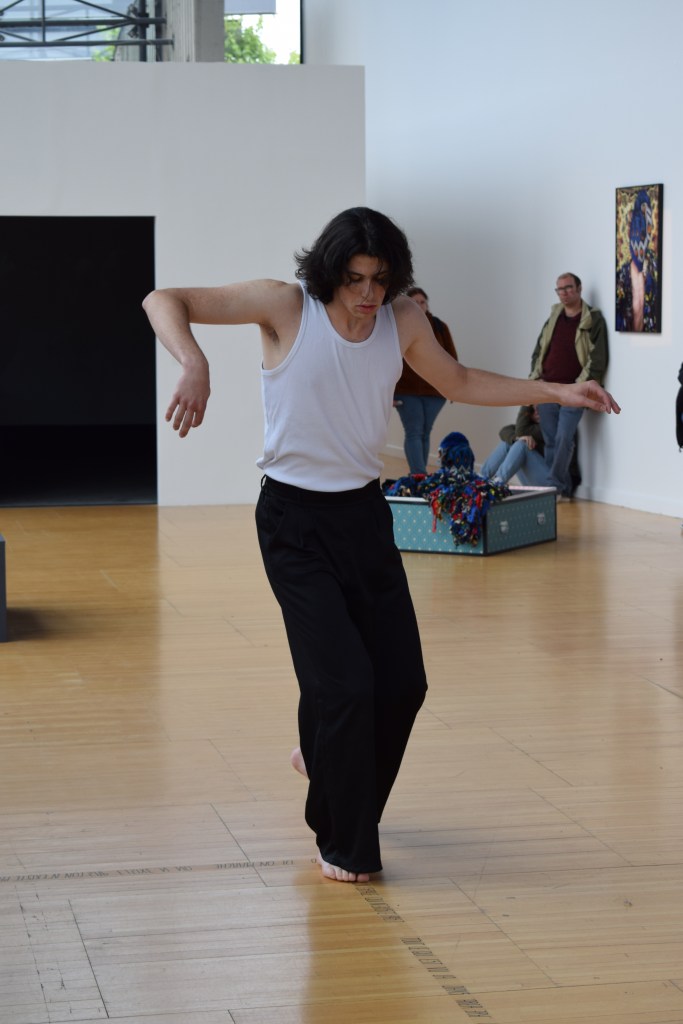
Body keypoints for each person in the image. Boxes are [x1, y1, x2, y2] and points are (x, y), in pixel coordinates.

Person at [142, 207, 620, 884]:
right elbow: (162, 299)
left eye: (380, 279)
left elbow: (458, 381)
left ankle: (324, 760)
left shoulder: (403, 321)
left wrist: (556, 391)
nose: (368, 294)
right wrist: (194, 362)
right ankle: (343, 841)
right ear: (329, 272)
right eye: (355, 279)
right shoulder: (285, 306)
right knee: (344, 684)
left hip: (365, 517)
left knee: (401, 684)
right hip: (293, 522)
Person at [529, 273, 608, 499]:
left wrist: (580, 386)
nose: (564, 293)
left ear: (579, 288)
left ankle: (552, 487)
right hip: (548, 388)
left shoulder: (592, 319)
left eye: (568, 288)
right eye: (560, 289)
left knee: (564, 438)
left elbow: (598, 359)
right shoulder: (553, 317)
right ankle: (561, 488)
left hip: (574, 391)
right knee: (551, 441)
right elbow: (539, 351)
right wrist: (535, 383)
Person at [394, 287, 458, 474]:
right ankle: (419, 475)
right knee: (414, 431)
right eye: (415, 302)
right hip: (406, 391)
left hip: (435, 391)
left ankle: (420, 477)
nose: (420, 306)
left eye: (422, 302)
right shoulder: (397, 326)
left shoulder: (440, 326)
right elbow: (389, 360)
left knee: (425, 432)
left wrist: (455, 387)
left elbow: (451, 357)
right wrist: (387, 392)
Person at [479, 404, 582, 492]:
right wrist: (517, 437)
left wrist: (526, 407)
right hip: (544, 479)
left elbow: (521, 430)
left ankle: (496, 484)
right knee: (509, 442)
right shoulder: (533, 427)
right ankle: (481, 479)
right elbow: (504, 430)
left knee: (521, 444)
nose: (537, 412)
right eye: (534, 409)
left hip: (560, 484)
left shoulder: (553, 426)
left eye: (541, 408)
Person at [615, 189, 660, 333]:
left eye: (643, 232)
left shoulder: (655, 269)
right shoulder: (621, 277)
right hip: (627, 341)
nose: (639, 237)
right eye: (635, 231)